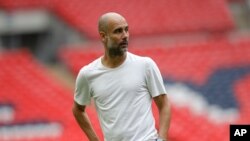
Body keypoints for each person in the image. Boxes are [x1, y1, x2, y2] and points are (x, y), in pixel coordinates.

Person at [72, 12, 171, 141]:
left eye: (126, 29)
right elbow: (78, 110)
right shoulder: (88, 74)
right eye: (118, 31)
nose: (125, 36)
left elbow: (164, 104)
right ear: (103, 36)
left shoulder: (145, 65)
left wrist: (162, 138)